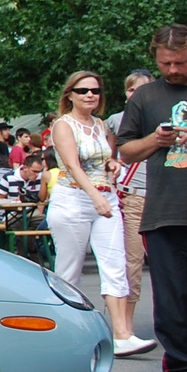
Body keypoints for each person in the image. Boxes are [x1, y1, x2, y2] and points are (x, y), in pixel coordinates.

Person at [116, 24, 187, 372]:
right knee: (174, 297)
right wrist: (155, 140)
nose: (173, 70)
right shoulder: (146, 96)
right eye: (166, 63)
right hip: (164, 212)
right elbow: (125, 150)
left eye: (180, 62)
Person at [49, 69, 146, 357]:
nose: (90, 95)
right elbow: (73, 166)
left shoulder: (101, 125)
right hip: (74, 200)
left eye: (95, 90)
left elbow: (104, 158)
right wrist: (95, 197)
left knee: (115, 263)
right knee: (69, 270)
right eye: (83, 91)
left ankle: (122, 334)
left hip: (106, 197)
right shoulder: (63, 125)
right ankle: (65, 334)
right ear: (70, 95)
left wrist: (113, 164)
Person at [108, 68, 155, 337]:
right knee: (131, 263)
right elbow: (109, 155)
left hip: (166, 195)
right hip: (133, 195)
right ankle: (125, 326)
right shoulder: (116, 120)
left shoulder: (165, 115)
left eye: (142, 88)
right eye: (131, 89)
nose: (136, 94)